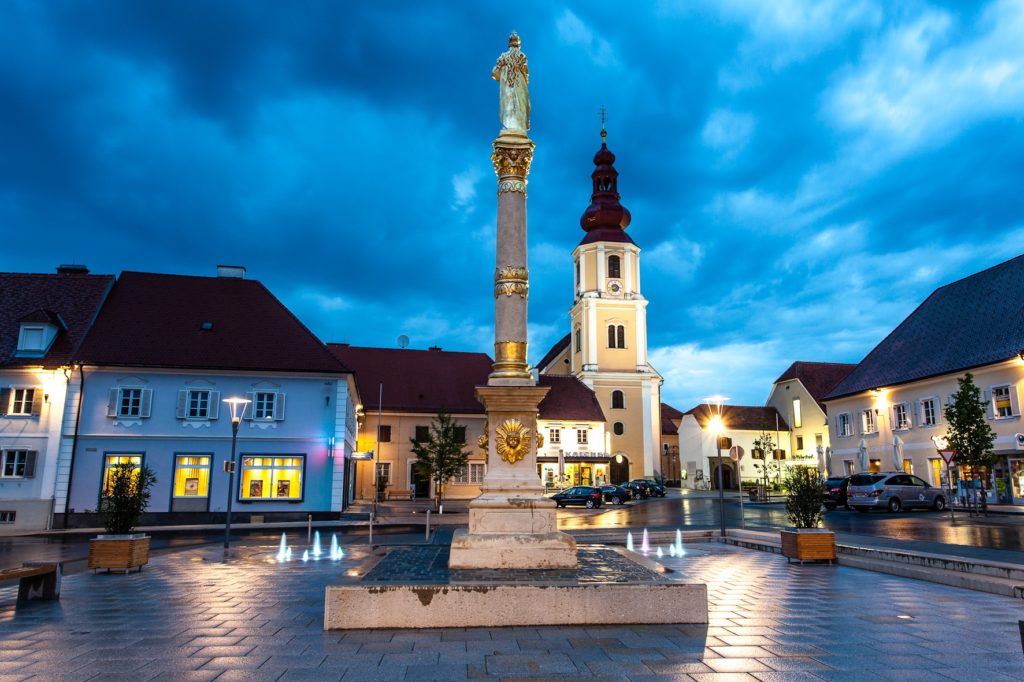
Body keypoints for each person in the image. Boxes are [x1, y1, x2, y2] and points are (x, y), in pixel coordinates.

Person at [492, 33, 530, 132]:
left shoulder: (503, 57)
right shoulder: (522, 56)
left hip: (508, 86)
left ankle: (510, 127)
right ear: (518, 46)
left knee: (509, 105)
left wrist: (502, 78)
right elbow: (526, 74)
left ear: (510, 45)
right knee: (522, 105)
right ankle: (520, 125)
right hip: (519, 85)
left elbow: (494, 73)